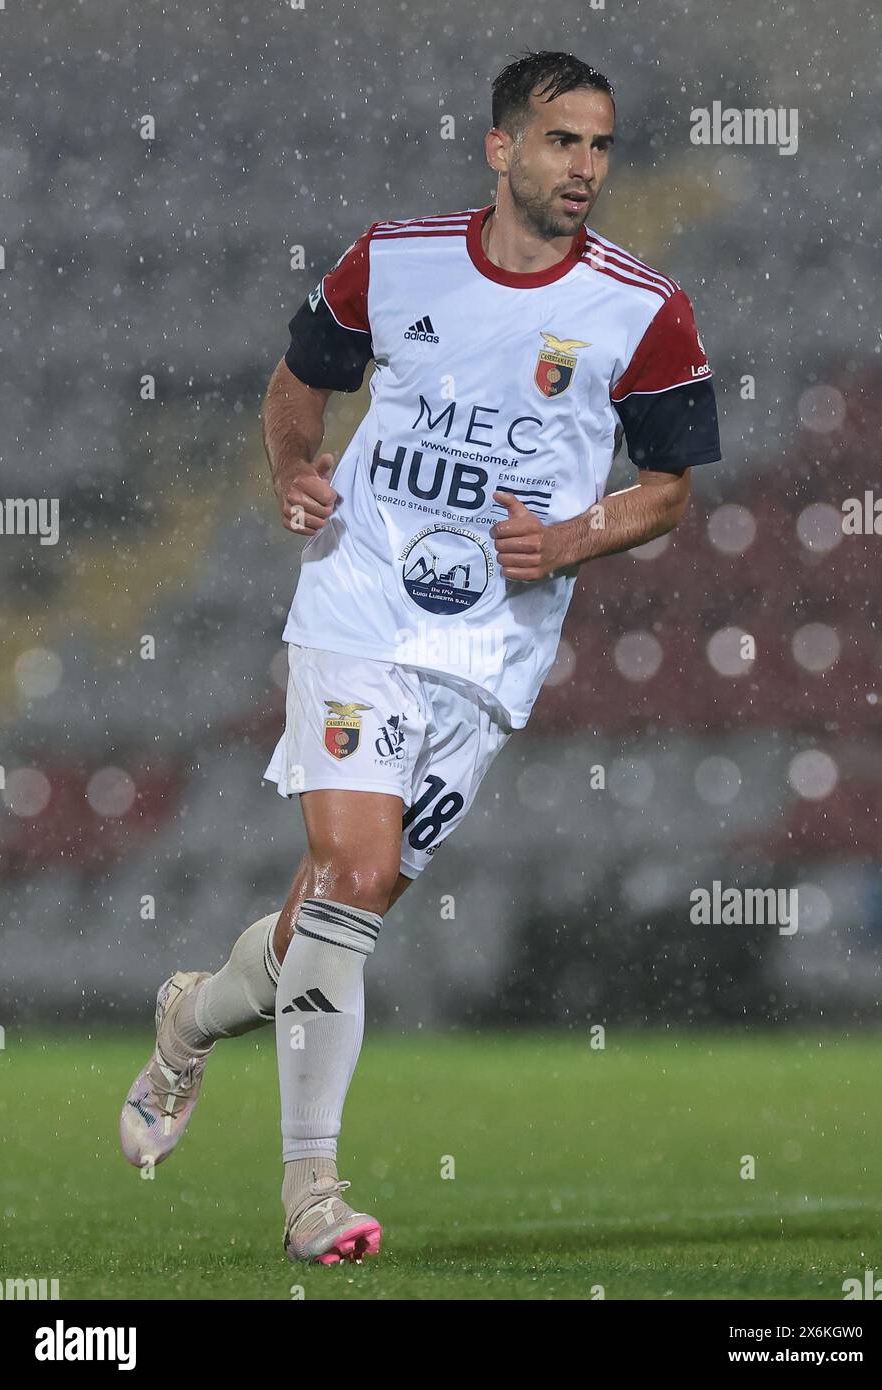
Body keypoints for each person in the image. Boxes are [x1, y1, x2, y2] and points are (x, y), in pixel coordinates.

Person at [120, 48, 722, 1265]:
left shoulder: (641, 309)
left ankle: (192, 1013)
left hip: (488, 656)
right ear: (501, 148)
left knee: (344, 907)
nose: (585, 169)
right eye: (562, 142)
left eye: (601, 146)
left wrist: (570, 537)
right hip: (358, 607)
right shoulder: (390, 261)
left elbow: (666, 495)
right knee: (350, 867)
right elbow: (300, 385)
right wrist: (294, 467)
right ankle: (312, 1193)